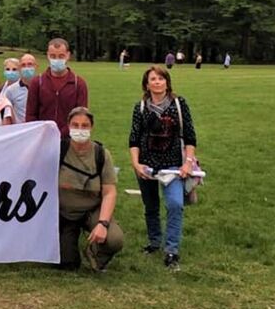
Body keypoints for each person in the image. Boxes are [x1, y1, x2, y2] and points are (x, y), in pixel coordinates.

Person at [128, 66, 198, 270]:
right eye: (153, 79)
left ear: (167, 82)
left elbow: (190, 136)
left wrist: (188, 162)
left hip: (173, 166)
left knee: (175, 204)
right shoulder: (141, 108)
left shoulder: (179, 104)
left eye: (161, 78)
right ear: (146, 84)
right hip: (147, 165)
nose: (157, 82)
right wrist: (136, 164)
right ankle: (154, 242)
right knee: (150, 206)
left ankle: (172, 250)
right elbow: (134, 139)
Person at [58, 107, 123, 272]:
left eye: (85, 126)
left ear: (91, 127)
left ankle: (95, 253)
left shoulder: (101, 154)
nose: (80, 130)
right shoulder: (58, 150)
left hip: (91, 210)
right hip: (64, 213)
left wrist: (103, 223)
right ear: (68, 126)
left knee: (114, 239)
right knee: (67, 263)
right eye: (75, 125)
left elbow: (109, 192)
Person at [25, 38, 88, 138]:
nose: (57, 60)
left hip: (69, 139)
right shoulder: (37, 82)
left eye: (61, 56)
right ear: (48, 55)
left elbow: (81, 116)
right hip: (42, 138)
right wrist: (40, 132)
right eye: (53, 56)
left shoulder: (78, 83)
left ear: (68, 55)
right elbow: (30, 115)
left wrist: (61, 134)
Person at [0, 57, 28, 124]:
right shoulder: (1, 88)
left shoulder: (24, 88)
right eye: (7, 69)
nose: (10, 72)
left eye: (14, 69)